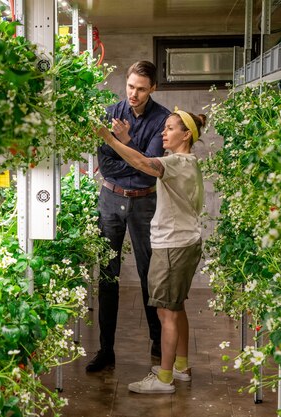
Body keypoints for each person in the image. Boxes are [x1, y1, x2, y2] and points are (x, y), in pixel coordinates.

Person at [97, 109, 205, 394]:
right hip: (183, 241)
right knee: (176, 306)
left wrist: (108, 138)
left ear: (186, 135)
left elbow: (143, 163)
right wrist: (126, 141)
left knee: (165, 312)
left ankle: (165, 378)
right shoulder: (186, 162)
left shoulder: (177, 163)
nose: (163, 133)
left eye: (170, 129)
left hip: (172, 246)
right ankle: (180, 365)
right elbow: (142, 161)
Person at [86, 61, 169, 373]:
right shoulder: (109, 114)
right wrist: (135, 157)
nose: (134, 94)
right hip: (110, 199)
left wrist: (124, 144)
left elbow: (150, 170)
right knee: (108, 275)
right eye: (131, 86)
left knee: (151, 274)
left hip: (144, 202)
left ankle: (158, 343)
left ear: (153, 89)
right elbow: (107, 166)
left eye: (142, 89)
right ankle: (106, 350)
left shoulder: (162, 119)